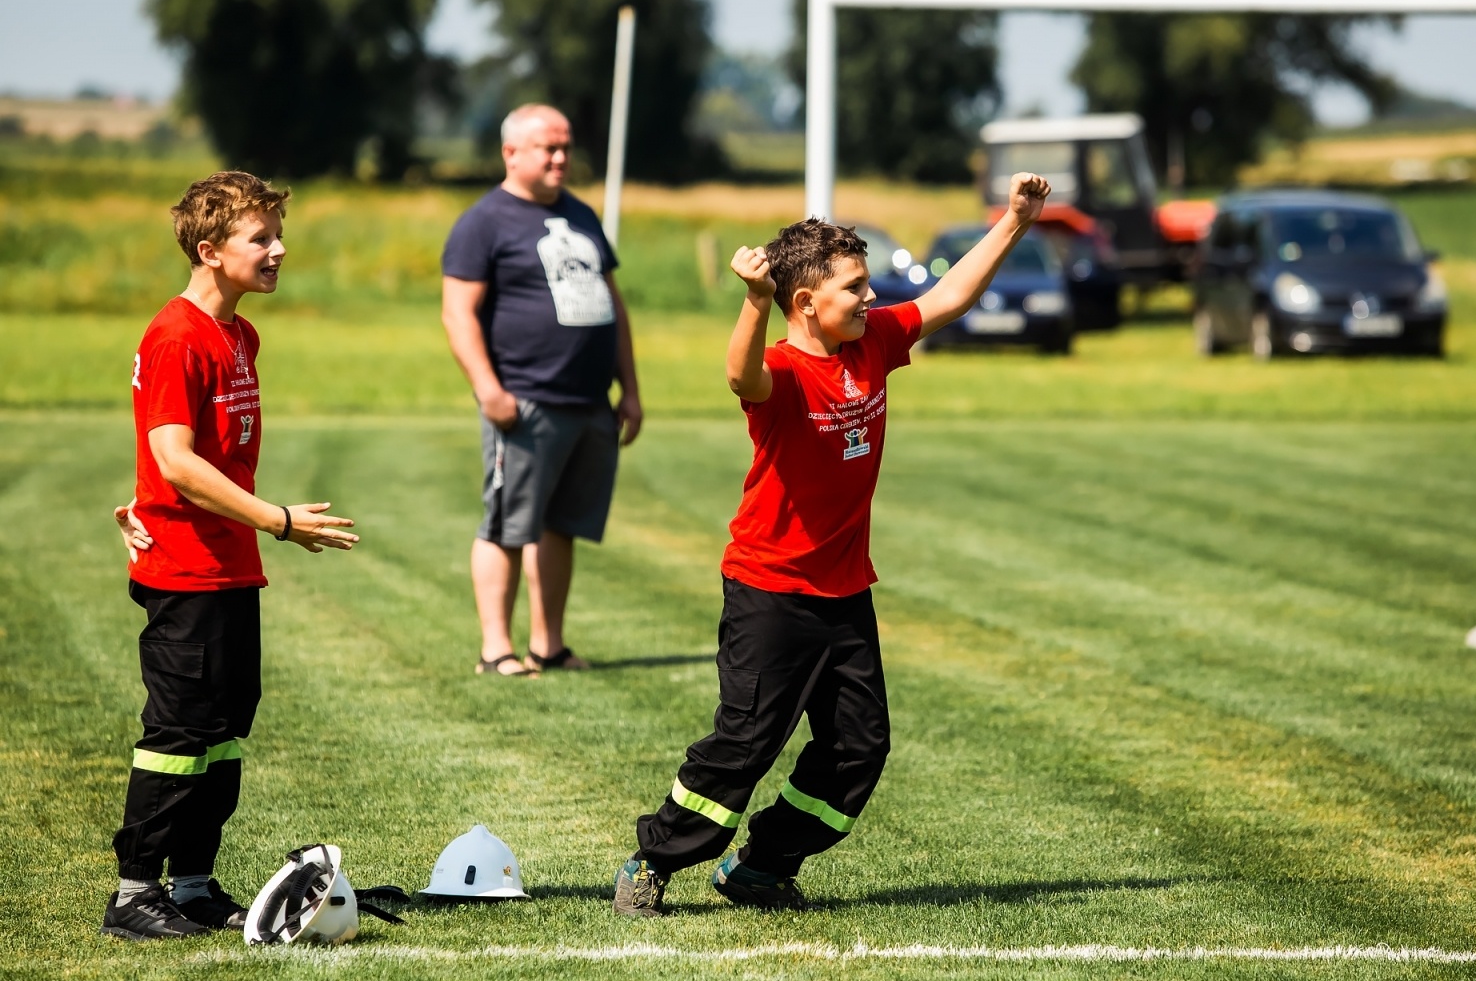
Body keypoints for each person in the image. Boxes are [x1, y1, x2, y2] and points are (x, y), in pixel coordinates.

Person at [614, 172, 1052, 916]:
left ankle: (763, 865)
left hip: (846, 590)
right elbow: (737, 374)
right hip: (769, 591)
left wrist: (1014, 221)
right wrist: (753, 302)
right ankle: (652, 861)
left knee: (859, 747)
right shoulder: (783, 372)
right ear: (807, 303)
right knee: (746, 744)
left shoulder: (872, 342)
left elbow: (948, 300)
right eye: (855, 287)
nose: (871, 297)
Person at [104, 171, 360, 941]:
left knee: (222, 727)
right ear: (210, 251)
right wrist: (279, 520)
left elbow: (187, 456)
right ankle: (133, 894)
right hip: (185, 571)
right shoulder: (177, 334)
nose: (279, 249)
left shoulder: (240, 335)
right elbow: (176, 459)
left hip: (228, 567)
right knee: (178, 733)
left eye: (279, 234)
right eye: (262, 238)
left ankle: (191, 883)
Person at [442, 104, 643, 678]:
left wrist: (629, 389)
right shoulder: (484, 222)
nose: (560, 157)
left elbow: (613, 304)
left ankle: (547, 645)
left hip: (589, 404)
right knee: (507, 525)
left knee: (563, 526)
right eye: (546, 148)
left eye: (565, 146)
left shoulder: (581, 214)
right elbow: (458, 315)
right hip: (524, 401)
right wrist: (489, 390)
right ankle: (495, 649)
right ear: (511, 153)